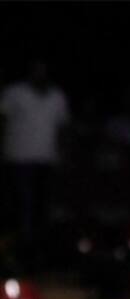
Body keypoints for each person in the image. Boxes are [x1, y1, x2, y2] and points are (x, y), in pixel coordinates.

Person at [0, 59, 70, 273]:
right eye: (36, 69)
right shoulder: (14, 93)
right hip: (18, 158)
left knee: (43, 210)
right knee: (21, 208)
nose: (39, 73)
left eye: (43, 69)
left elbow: (62, 128)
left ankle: (39, 257)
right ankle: (17, 255)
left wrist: (62, 154)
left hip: (46, 160)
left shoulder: (57, 96)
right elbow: (3, 121)